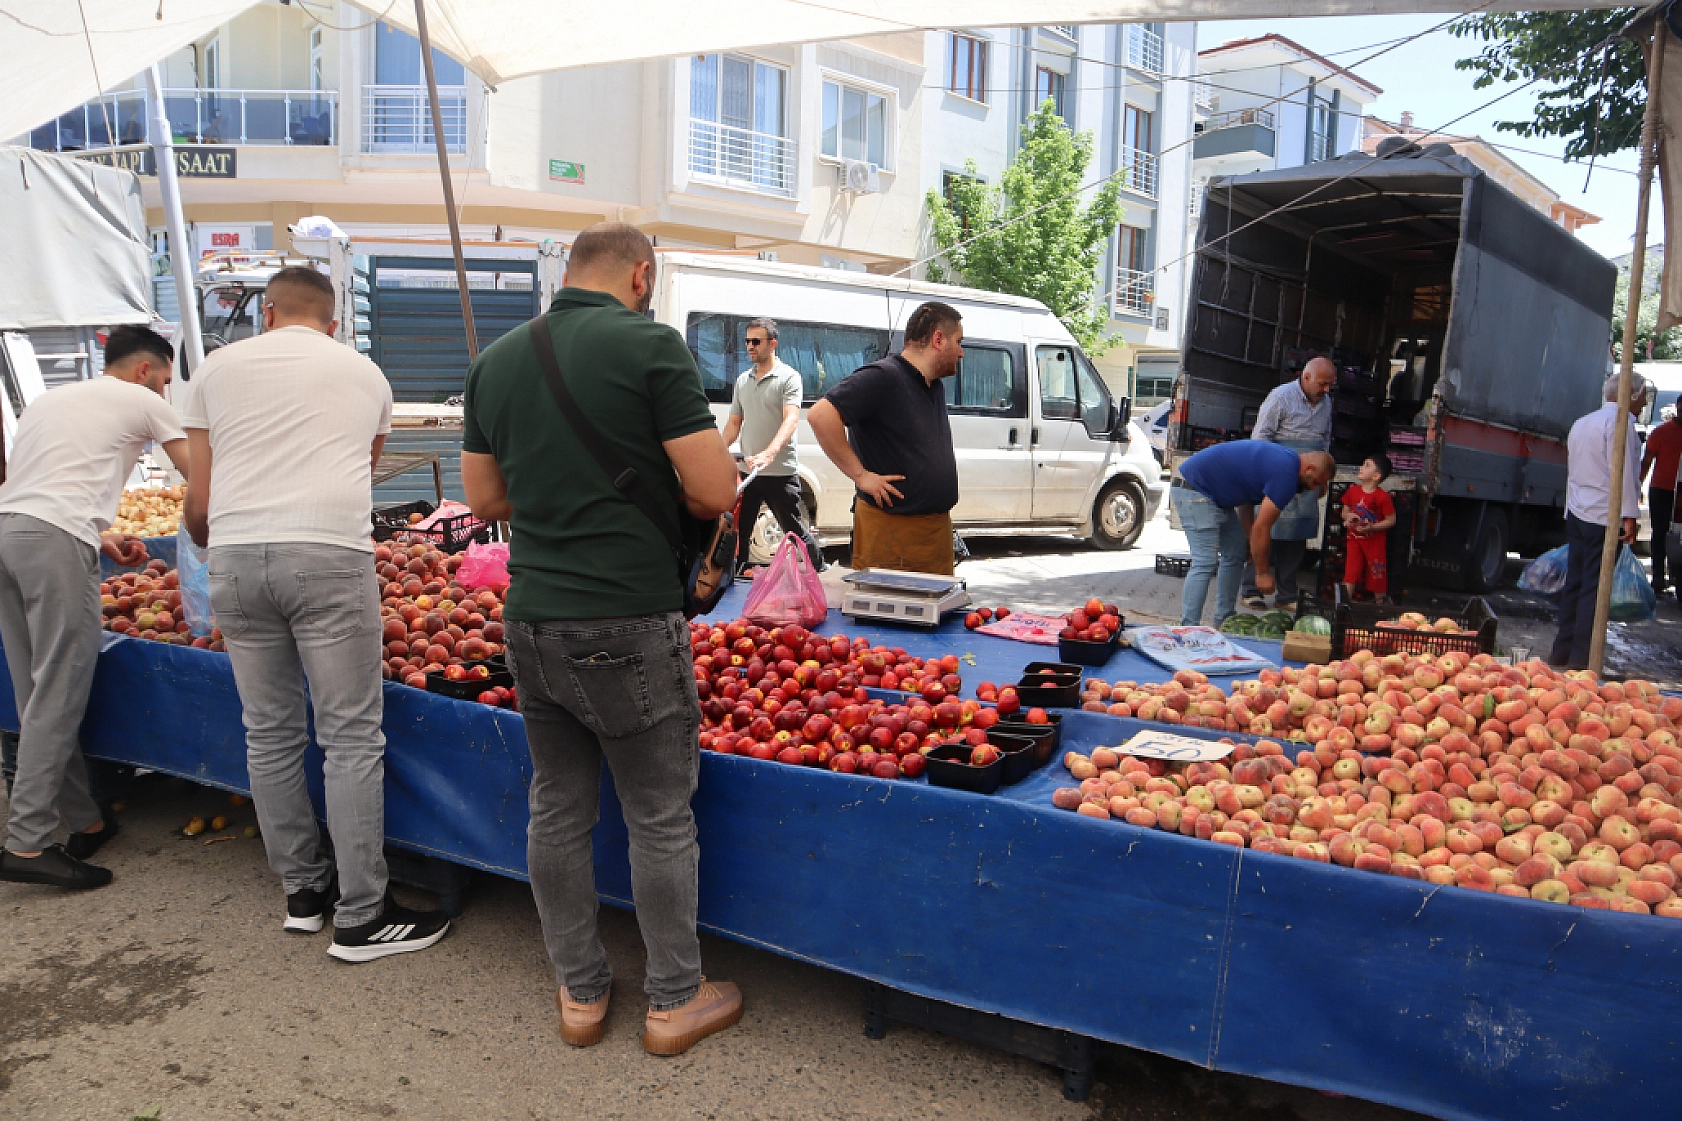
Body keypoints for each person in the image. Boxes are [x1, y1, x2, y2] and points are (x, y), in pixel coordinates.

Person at [459, 223, 742, 1055]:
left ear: (567, 273)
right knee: (658, 814)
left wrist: (559, 488)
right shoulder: (651, 348)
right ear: (641, 275)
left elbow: (483, 500)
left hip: (532, 617)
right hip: (625, 616)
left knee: (557, 808)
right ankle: (672, 998)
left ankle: (581, 995)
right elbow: (716, 487)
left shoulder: (498, 360)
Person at [183, 266, 450, 960]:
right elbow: (362, 470)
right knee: (350, 736)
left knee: (267, 733)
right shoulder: (365, 373)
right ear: (333, 321)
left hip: (236, 557)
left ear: (266, 313)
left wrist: (229, 546)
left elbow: (201, 504)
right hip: (328, 554)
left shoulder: (213, 369)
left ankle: (304, 894)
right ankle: (362, 915)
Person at [0, 326, 189, 890]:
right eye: (165, 380)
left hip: (10, 533)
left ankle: (83, 819)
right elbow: (199, 472)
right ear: (145, 371)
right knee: (60, 689)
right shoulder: (140, 399)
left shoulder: (49, 401)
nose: (164, 391)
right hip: (51, 543)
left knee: (36, 690)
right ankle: (27, 844)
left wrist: (98, 534)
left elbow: (38, 484)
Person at [807, 302, 963, 576]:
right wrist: (861, 475)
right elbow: (821, 416)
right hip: (892, 532)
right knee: (886, 613)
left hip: (934, 533)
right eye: (959, 342)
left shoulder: (933, 385)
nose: (961, 353)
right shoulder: (884, 376)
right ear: (938, 339)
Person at [1171, 441, 1337, 627]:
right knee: (1205, 561)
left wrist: (1250, 542)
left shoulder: (1286, 462)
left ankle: (1224, 620)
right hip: (1194, 489)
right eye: (1315, 482)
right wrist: (1262, 573)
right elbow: (1262, 527)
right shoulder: (1286, 475)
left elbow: (1245, 502)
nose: (1313, 489)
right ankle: (1188, 627)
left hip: (1213, 495)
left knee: (1235, 554)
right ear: (1309, 468)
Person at [1550, 374, 1648, 670]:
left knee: (1575, 585)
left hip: (1579, 512)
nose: (1644, 402)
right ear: (1632, 395)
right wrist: (1630, 516)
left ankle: (1561, 653)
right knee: (1594, 589)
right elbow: (1626, 476)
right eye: (1643, 395)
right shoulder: (1622, 426)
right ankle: (1582, 660)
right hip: (1604, 517)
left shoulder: (1583, 422)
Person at [718, 318, 826, 575]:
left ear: (773, 343)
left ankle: (822, 573)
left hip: (779, 473)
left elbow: (790, 420)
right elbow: (734, 423)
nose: (750, 347)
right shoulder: (743, 381)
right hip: (749, 472)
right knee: (738, 533)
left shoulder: (789, 378)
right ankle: (735, 581)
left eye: (756, 341)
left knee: (795, 532)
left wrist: (769, 454)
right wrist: (718, 451)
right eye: (747, 341)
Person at [1241, 356, 1336, 611]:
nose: (1326, 390)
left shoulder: (1327, 403)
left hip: (1311, 475)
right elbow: (1260, 438)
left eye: (1330, 385)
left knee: (1297, 535)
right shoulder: (1280, 397)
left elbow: (1325, 439)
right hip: (1278, 471)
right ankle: (1251, 588)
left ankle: (1287, 592)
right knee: (1265, 528)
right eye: (1323, 384)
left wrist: (1323, 477)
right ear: (1306, 377)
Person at [1339, 453, 1397, 605]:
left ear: (1376, 476)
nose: (1361, 468)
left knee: (1377, 575)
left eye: (1367, 466)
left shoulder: (1383, 497)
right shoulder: (1352, 491)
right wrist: (1348, 516)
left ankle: (1381, 609)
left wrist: (1372, 527)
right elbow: (1344, 511)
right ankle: (1344, 608)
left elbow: (1391, 520)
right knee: (1350, 574)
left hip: (1374, 542)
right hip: (1354, 540)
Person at [1640, 404, 1682, 596]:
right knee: (1659, 533)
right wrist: (1637, 486)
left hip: (1677, 492)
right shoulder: (1661, 432)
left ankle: (1673, 574)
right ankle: (1658, 578)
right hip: (1661, 490)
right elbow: (1647, 461)